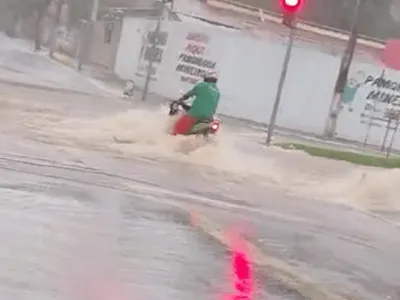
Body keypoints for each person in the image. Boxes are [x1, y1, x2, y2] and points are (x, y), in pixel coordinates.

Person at [172, 70, 220, 135]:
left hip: (194, 116)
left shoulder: (201, 86)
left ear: (205, 78)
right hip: (208, 119)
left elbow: (188, 95)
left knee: (175, 133)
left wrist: (179, 101)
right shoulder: (217, 92)